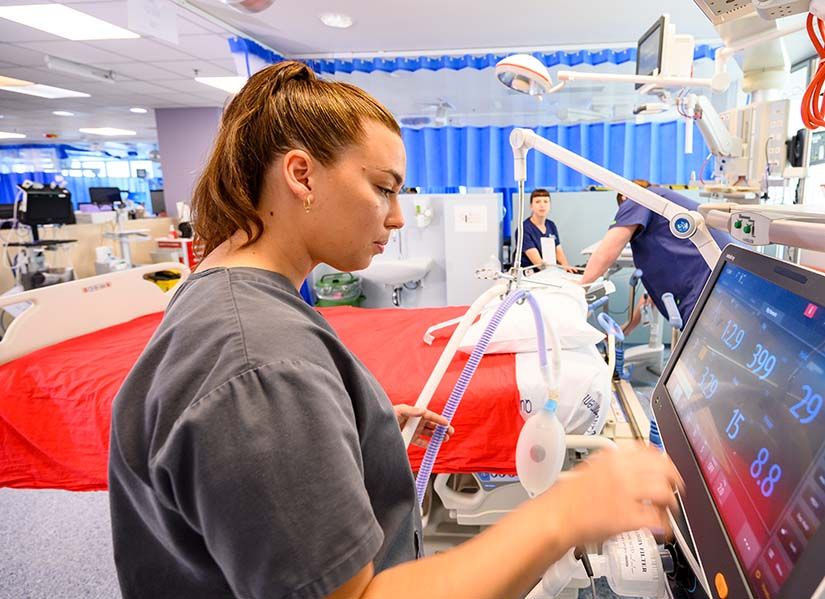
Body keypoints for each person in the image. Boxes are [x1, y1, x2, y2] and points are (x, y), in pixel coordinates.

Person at [108, 61, 683, 599]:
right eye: (383, 187)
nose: (398, 216)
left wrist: (357, 429)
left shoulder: (229, 301)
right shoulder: (262, 363)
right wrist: (568, 513)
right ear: (301, 175)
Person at [580, 182, 734, 334]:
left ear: (624, 196)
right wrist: (627, 328)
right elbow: (653, 295)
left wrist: (580, 288)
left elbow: (607, 251)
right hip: (724, 278)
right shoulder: (661, 208)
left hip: (708, 285)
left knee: (711, 342)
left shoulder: (638, 197)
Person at [515, 188, 576, 272]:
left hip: (549, 271)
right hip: (531, 274)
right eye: (537, 202)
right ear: (531, 206)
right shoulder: (523, 229)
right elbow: (539, 263)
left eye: (545, 202)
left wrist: (566, 267)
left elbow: (558, 250)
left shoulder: (551, 225)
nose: (542, 205)